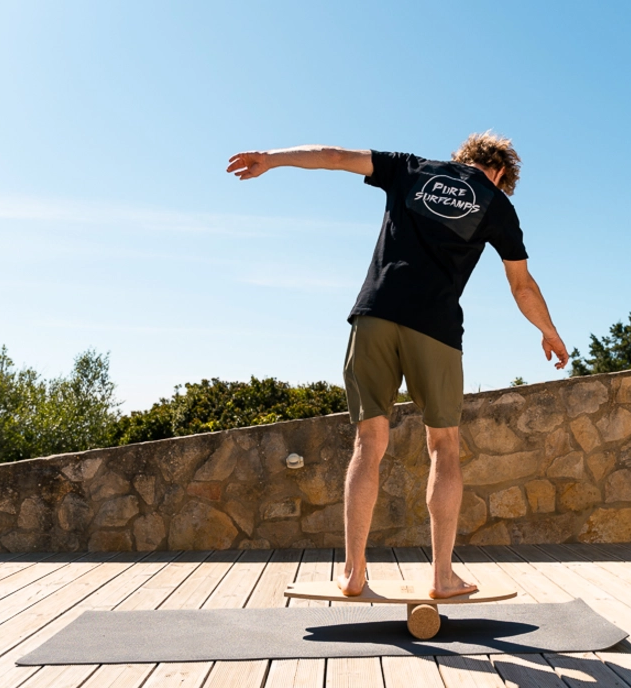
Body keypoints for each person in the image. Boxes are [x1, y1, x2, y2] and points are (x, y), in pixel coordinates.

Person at [227, 133, 568, 598]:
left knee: (369, 442)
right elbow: (521, 284)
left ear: (460, 159)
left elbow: (334, 157)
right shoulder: (495, 204)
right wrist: (548, 331)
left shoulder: (411, 168)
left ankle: (352, 574)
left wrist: (271, 160)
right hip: (435, 328)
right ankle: (443, 578)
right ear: (501, 174)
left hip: (375, 315)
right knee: (443, 446)